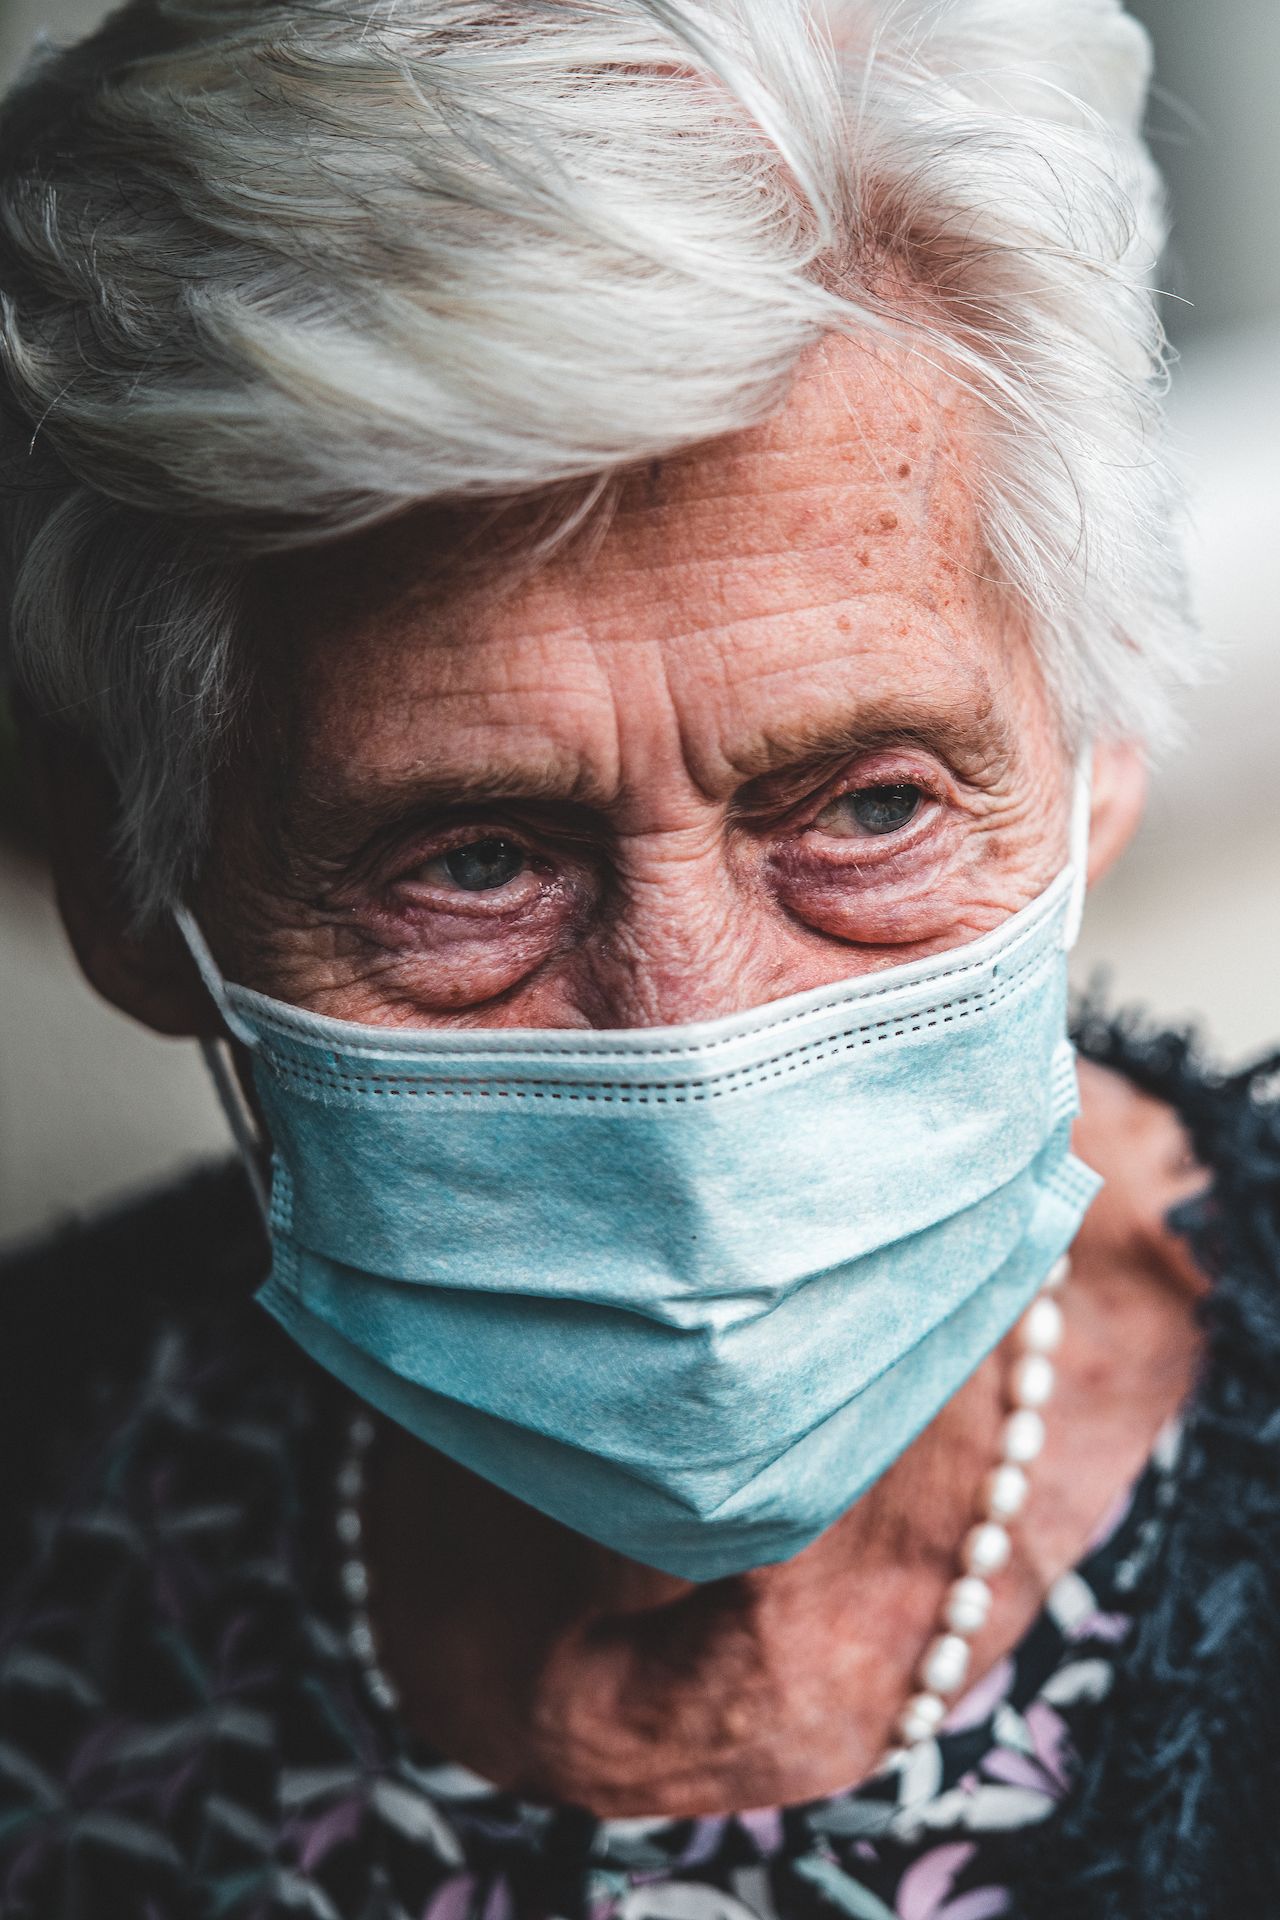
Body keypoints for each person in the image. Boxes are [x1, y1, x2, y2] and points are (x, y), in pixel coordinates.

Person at [1, 2, 1277, 1915]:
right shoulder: (49, 1467)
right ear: (135, 896)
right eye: (478, 858)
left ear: (1096, 765)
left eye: (867, 807)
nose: (698, 1046)